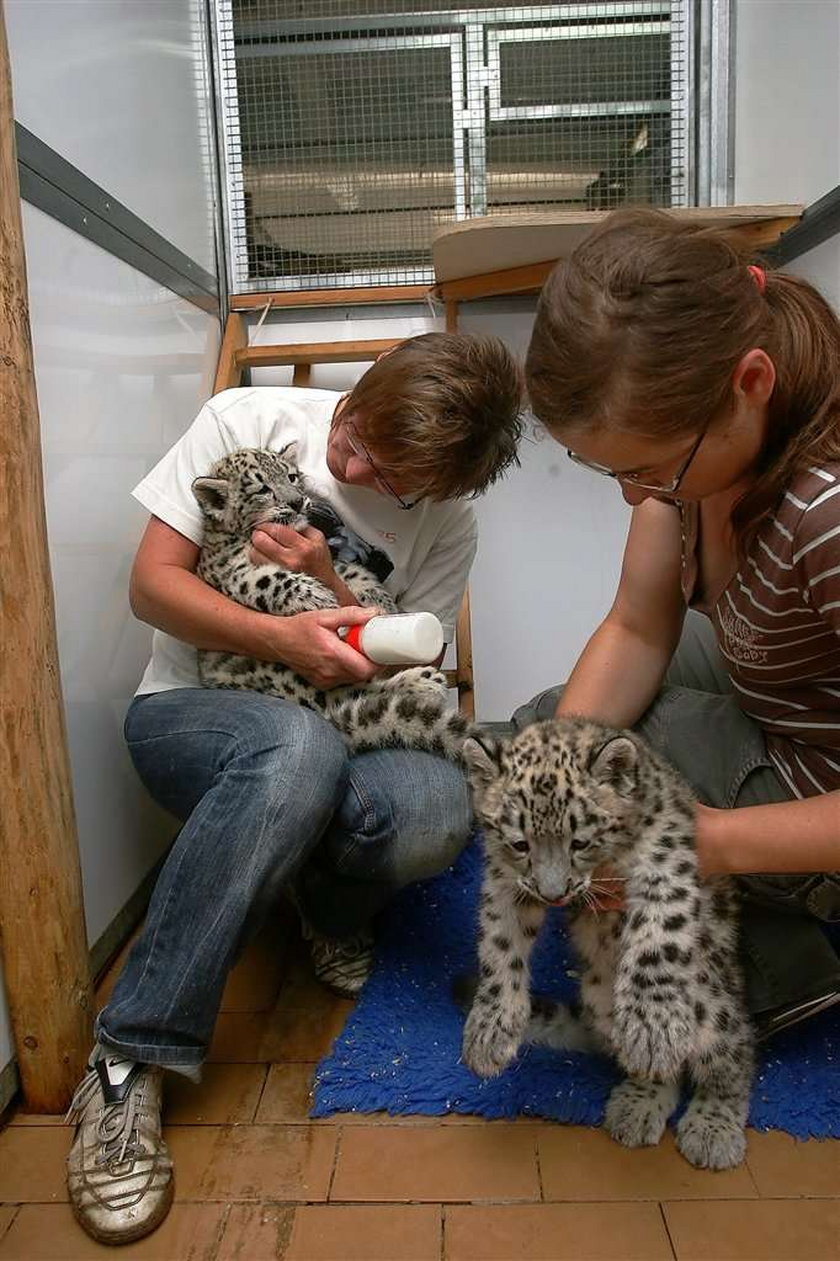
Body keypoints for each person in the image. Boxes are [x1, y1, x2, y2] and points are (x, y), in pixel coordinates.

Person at [66, 331, 523, 1246]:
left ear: (431, 489)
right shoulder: (248, 420)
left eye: (379, 469)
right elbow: (151, 588)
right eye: (352, 427)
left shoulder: (449, 522)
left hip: (345, 715)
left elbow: (408, 653)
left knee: (437, 815)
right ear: (362, 391)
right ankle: (127, 1059)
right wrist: (279, 636)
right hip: (198, 711)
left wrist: (324, 580)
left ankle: (326, 899)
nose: (345, 456)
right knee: (295, 750)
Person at [519, 207, 840, 1039]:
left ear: (752, 383)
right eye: (612, 469)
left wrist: (714, 842)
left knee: (635, 795)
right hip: (789, 704)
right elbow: (636, 627)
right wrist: (557, 775)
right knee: (551, 740)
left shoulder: (827, 513)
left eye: (650, 467)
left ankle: (776, 971)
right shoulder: (693, 468)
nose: (634, 494)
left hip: (822, 790)